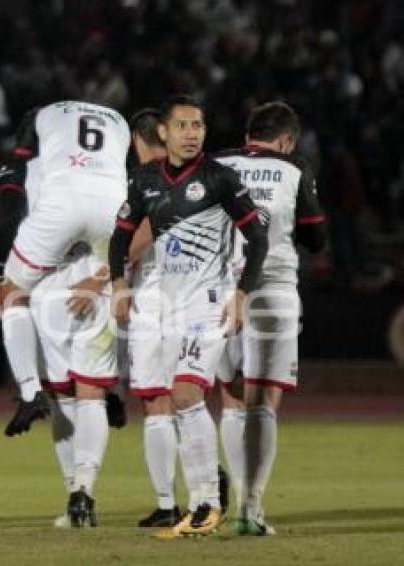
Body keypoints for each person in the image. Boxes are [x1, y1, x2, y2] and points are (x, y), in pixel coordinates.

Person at [109, 95, 269, 538]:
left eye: (197, 125)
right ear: (164, 132)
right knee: (180, 403)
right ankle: (202, 503)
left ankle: (205, 504)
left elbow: (257, 237)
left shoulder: (219, 178)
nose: (192, 132)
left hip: (209, 304)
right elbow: (119, 237)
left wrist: (240, 294)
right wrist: (120, 285)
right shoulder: (144, 180)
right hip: (169, 306)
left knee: (184, 395)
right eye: (182, 125)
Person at [214, 101, 326, 535]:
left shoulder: (218, 162)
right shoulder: (295, 167)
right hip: (273, 288)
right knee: (264, 400)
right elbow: (316, 237)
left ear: (249, 135)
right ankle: (250, 507)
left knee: (232, 397)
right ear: (285, 140)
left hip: (221, 290)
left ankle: (237, 495)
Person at [0, 100, 130, 436]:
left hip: (54, 252)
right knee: (122, 292)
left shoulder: (26, 163)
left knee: (6, 292)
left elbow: (6, 217)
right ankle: (118, 388)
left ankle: (29, 390)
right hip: (109, 217)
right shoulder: (118, 126)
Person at [124, 109, 231, 528]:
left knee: (168, 398)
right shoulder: (156, 176)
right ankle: (174, 501)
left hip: (163, 298)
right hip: (156, 298)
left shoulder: (158, 177)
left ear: (136, 138)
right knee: (158, 399)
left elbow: (146, 231)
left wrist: (104, 275)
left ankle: (191, 497)